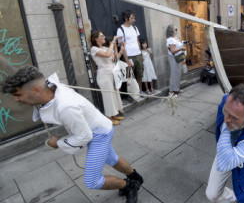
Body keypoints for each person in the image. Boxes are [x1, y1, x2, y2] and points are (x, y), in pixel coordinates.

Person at [2, 66, 143, 203]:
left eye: (18, 95)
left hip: (99, 134)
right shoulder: (49, 88)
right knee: (112, 159)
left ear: (37, 90)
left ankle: (130, 186)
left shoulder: (65, 107)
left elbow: (85, 137)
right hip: (97, 127)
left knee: (92, 181)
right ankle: (135, 177)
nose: (16, 99)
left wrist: (57, 143)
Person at [90, 31, 125, 125]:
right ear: (96, 39)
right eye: (102, 36)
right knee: (108, 97)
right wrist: (113, 42)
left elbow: (114, 58)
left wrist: (121, 50)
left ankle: (114, 115)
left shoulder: (105, 48)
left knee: (114, 95)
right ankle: (109, 117)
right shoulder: (94, 49)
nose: (104, 37)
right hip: (104, 76)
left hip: (112, 74)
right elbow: (107, 55)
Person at [116, 10, 144, 94]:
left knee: (139, 74)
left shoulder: (135, 28)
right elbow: (121, 46)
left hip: (137, 54)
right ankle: (132, 94)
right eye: (132, 18)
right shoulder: (120, 30)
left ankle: (140, 91)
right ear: (126, 18)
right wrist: (127, 60)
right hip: (128, 56)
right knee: (129, 77)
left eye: (134, 18)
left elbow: (138, 41)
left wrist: (141, 54)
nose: (134, 20)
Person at [166, 24, 186, 97]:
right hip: (173, 58)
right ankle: (171, 92)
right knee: (173, 74)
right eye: (176, 29)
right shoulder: (171, 40)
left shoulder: (175, 38)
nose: (177, 30)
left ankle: (176, 88)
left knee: (177, 73)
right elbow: (172, 51)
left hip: (177, 57)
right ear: (172, 31)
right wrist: (181, 48)